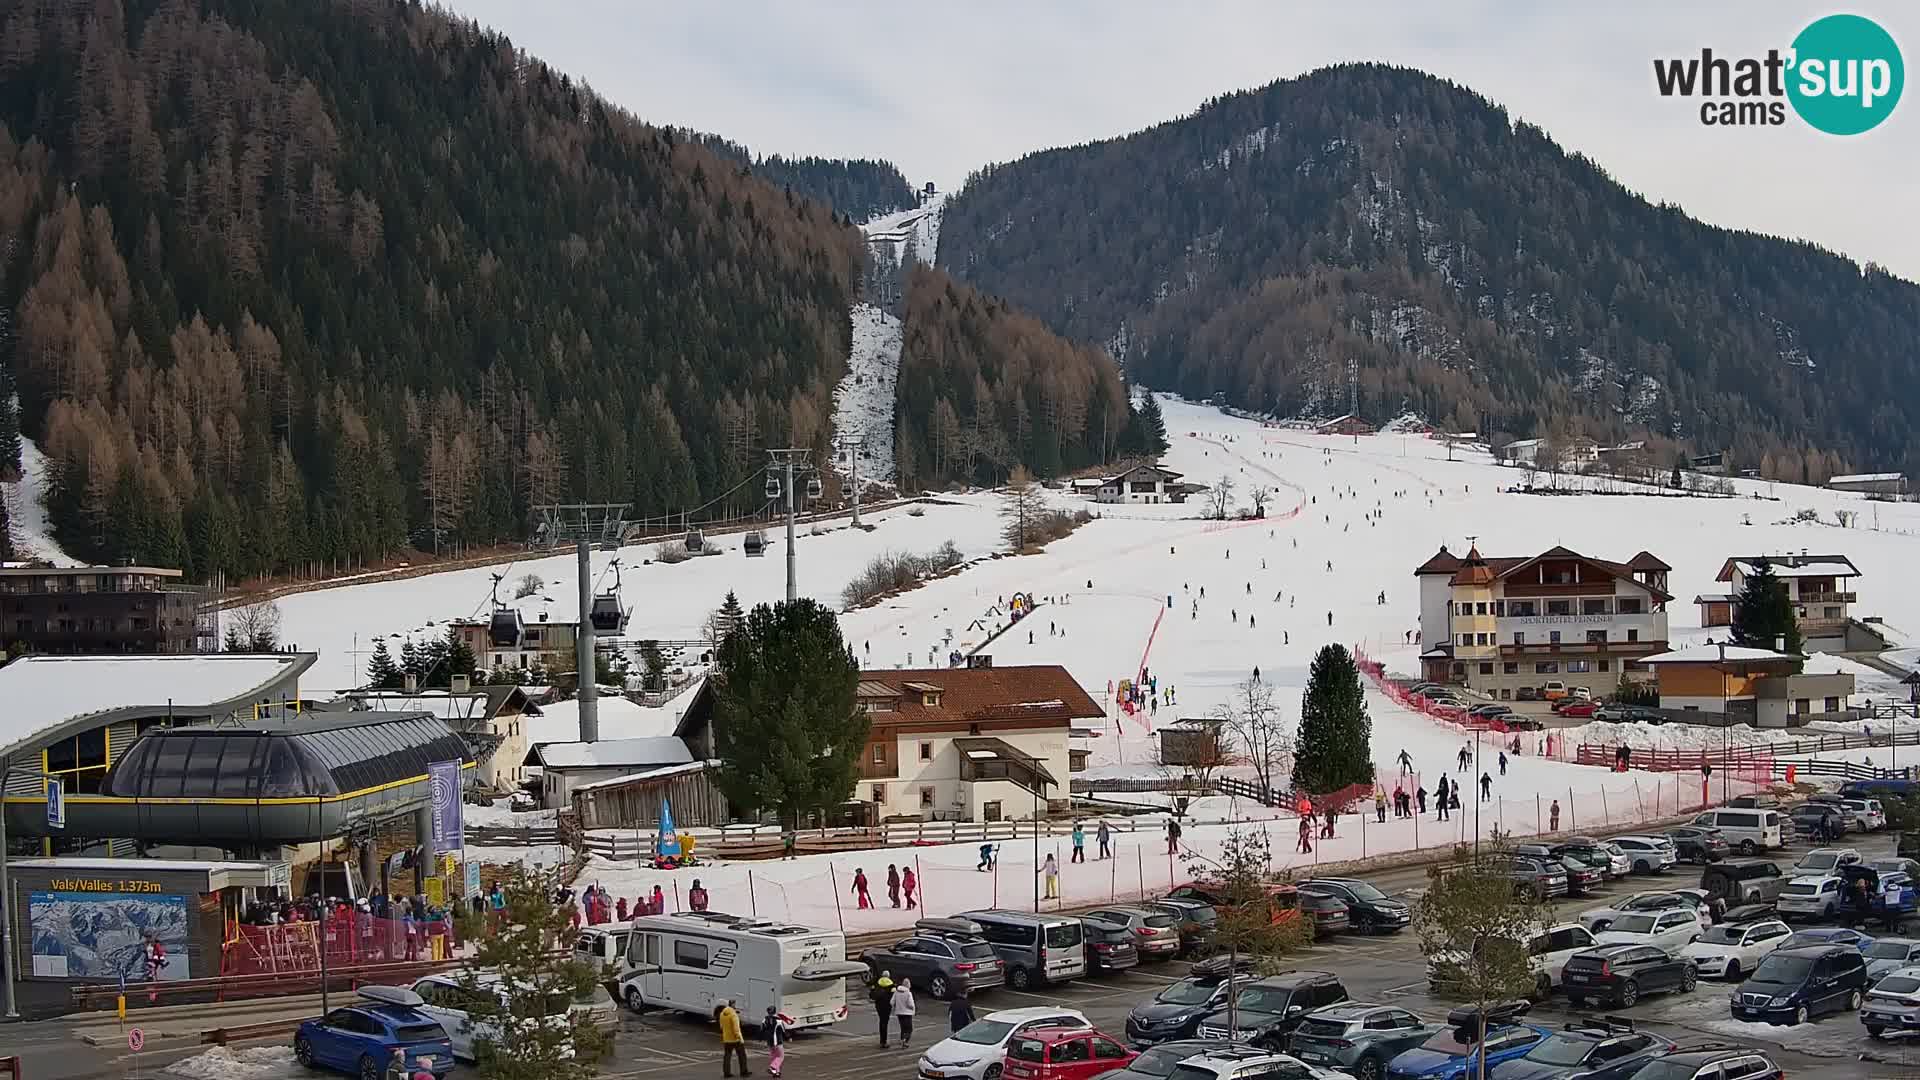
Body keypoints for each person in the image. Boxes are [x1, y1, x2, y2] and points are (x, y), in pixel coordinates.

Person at [719, 999, 749, 1077]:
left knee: (727, 1056)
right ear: (732, 1004)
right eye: (734, 1004)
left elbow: (721, 1026)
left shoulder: (722, 1014)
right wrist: (740, 1038)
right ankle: (743, 1071)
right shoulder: (733, 1014)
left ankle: (726, 1073)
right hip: (735, 1039)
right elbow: (736, 1028)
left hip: (726, 1038)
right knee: (742, 1055)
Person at [870, 970, 896, 1047]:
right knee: (885, 1022)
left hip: (878, 1005)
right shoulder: (892, 985)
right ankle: (884, 1042)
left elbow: (872, 995)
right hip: (887, 1006)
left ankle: (882, 1041)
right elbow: (894, 996)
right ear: (888, 976)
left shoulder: (877, 983)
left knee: (882, 1021)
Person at [892, 976, 918, 1046]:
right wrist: (912, 1008)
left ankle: (902, 1038)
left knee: (903, 1027)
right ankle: (905, 1040)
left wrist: (897, 1006)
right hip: (907, 1013)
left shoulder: (896, 992)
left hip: (899, 1013)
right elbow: (910, 1004)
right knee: (909, 1028)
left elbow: (892, 1002)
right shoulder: (908, 993)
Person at [763, 1004, 786, 1077]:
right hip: (777, 1041)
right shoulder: (778, 1020)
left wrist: (761, 1038)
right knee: (780, 1057)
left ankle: (776, 1072)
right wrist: (788, 1037)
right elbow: (783, 1030)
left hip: (769, 1042)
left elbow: (762, 1030)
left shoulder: (764, 1020)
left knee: (774, 1057)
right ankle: (772, 1067)